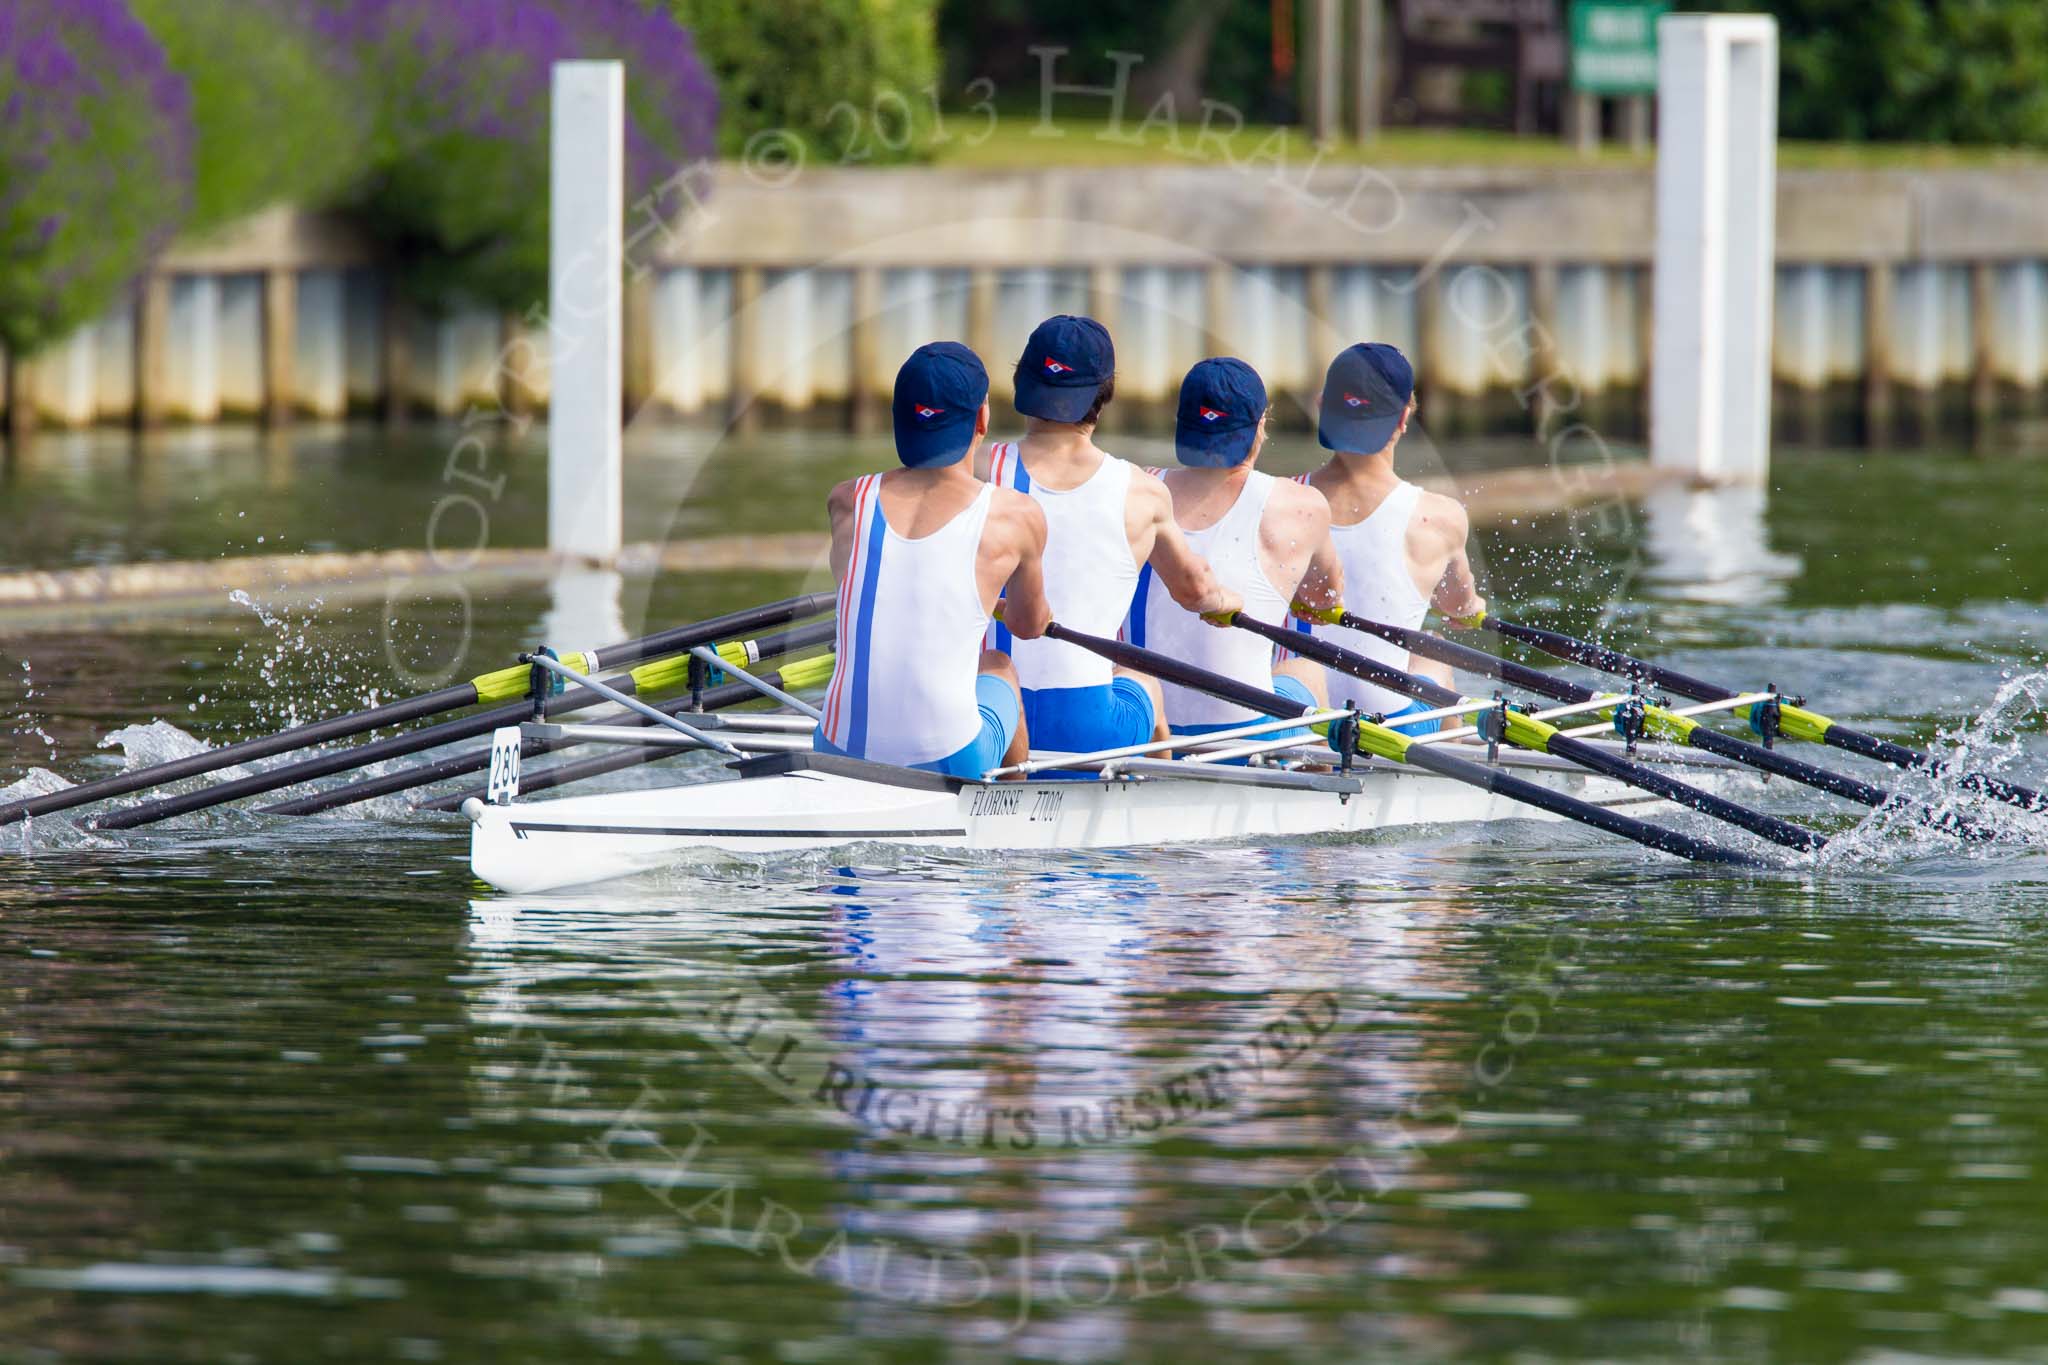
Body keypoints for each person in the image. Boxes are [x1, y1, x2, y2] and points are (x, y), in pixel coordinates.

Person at [976, 314, 1241, 754]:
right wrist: (1227, 601)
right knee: (1142, 679)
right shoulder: (1141, 492)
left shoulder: (978, 471)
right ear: (1104, 396)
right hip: (1085, 727)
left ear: (1022, 383)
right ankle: (1155, 789)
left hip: (993, 717)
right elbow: (1194, 591)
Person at [814, 342, 1052, 777]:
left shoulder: (846, 500)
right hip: (948, 759)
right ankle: (1014, 808)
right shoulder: (1016, 515)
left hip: (835, 748)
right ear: (982, 418)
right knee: (999, 667)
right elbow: (1029, 625)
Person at [1130, 357, 1344, 744]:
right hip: (1245, 738)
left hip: (1148, 730)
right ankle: (1320, 785)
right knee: (1303, 671)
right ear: (1261, 425)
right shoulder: (1302, 506)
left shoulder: (1137, 490)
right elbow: (1326, 599)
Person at [1292, 342, 1486, 733]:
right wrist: (1471, 606)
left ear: (1321, 407)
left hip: (1297, 719)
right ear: (1403, 418)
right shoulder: (1439, 517)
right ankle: (1455, 774)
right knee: (1433, 655)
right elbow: (1458, 608)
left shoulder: (1279, 501)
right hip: (1391, 727)